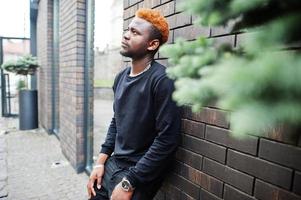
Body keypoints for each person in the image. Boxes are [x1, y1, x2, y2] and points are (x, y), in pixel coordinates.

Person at [87, 8, 181, 200]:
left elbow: (167, 140)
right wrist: (100, 162)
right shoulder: (120, 77)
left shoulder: (162, 80)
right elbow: (117, 121)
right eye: (128, 30)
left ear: (152, 44)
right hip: (114, 163)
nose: (126, 35)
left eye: (135, 32)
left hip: (140, 172)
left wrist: (130, 181)